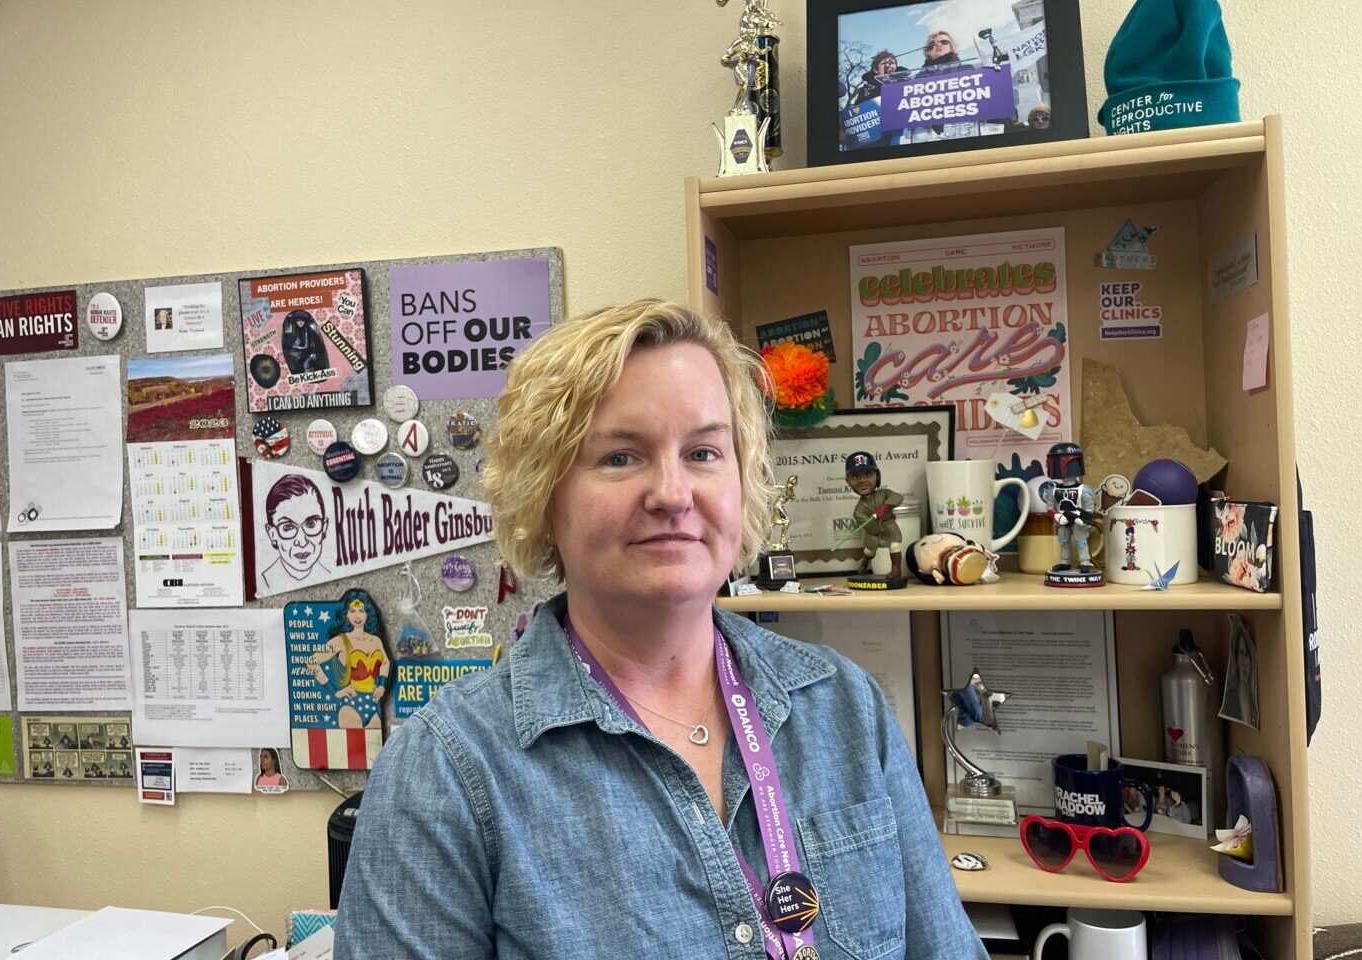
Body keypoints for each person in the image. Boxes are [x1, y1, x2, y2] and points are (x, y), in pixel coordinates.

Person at [336, 300, 986, 959]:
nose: (673, 494)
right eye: (621, 457)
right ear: (543, 495)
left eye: (704, 452)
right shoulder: (445, 772)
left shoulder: (845, 710)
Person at [307, 589, 389, 729]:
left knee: (375, 749)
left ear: (367, 613)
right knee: (351, 749)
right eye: (353, 611)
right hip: (351, 705)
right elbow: (311, 662)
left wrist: (381, 684)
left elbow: (385, 662)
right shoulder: (340, 640)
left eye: (361, 611)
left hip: (372, 704)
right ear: (346, 614)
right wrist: (335, 691)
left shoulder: (375, 640)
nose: (357, 616)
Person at [260, 474, 332, 592]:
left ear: (324, 528)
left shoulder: (329, 576)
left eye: (311, 524)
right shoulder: (264, 582)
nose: (302, 542)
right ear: (272, 534)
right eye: (288, 528)